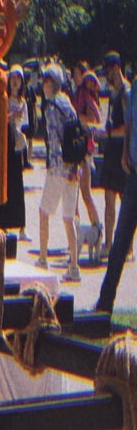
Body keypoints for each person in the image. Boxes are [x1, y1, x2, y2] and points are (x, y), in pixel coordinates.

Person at [95, 54, 137, 315]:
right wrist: (124, 152)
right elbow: (129, 125)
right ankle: (104, 302)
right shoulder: (132, 92)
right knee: (120, 240)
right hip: (133, 172)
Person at [37, 63, 81, 281]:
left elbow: (54, 139)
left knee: (44, 212)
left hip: (58, 166)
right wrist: (75, 166)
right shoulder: (69, 105)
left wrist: (55, 167)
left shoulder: (51, 106)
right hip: (74, 168)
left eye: (45, 81)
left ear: (51, 83)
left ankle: (43, 259)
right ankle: (74, 266)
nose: (42, 85)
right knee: (68, 217)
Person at [99, 51, 130, 261]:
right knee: (108, 199)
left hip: (122, 151)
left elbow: (129, 126)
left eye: (109, 71)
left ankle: (126, 246)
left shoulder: (127, 93)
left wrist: (109, 134)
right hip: (110, 150)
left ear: (115, 68)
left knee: (124, 201)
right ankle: (109, 243)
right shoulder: (112, 93)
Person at [70, 60, 103, 244]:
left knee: (84, 192)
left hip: (84, 148)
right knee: (76, 193)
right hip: (78, 147)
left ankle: (96, 227)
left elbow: (96, 117)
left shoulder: (84, 94)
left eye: (76, 73)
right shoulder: (77, 93)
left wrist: (79, 116)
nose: (75, 76)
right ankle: (77, 233)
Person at [0, 64, 29, 240]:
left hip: (17, 145)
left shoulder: (23, 101)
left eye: (19, 79)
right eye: (13, 78)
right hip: (6, 143)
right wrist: (10, 116)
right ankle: (5, 223)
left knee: (18, 183)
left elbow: (25, 125)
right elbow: (1, 120)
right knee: (6, 182)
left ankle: (21, 225)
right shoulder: (5, 99)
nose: (16, 82)